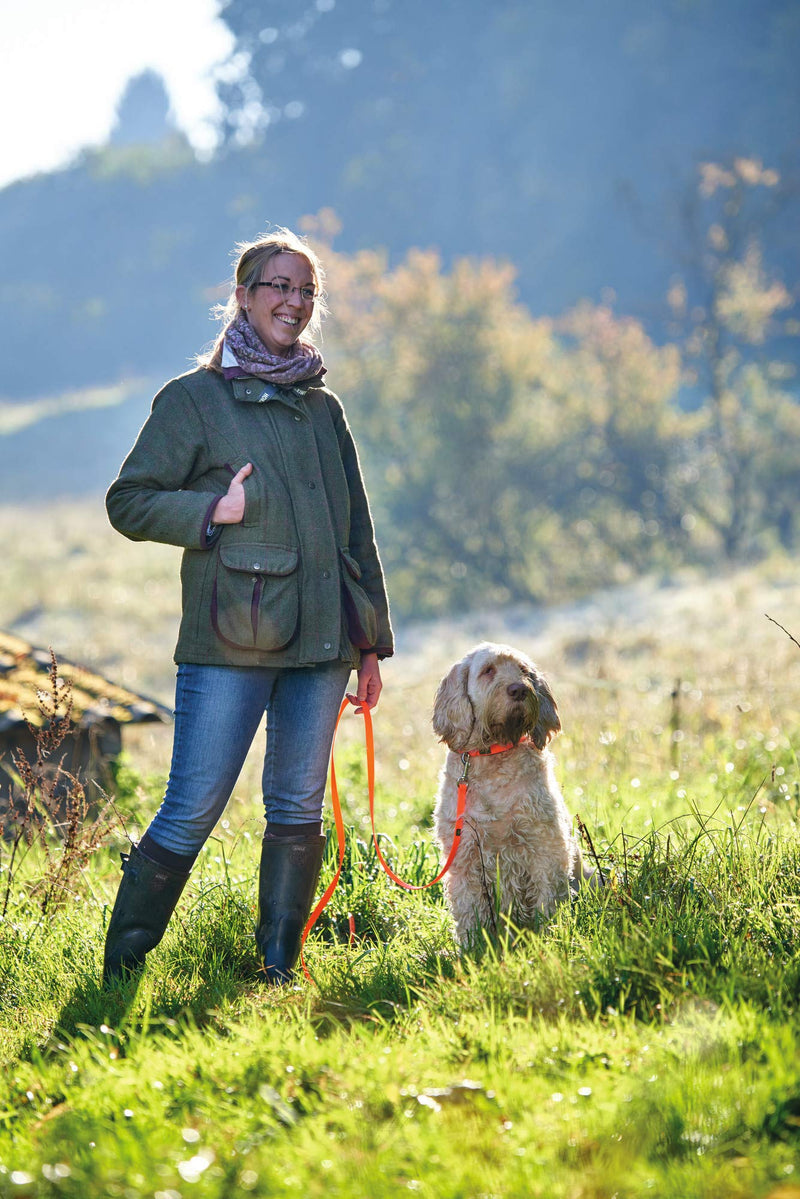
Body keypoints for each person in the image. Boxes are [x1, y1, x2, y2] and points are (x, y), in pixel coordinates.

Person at [103, 228, 393, 985]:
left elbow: (354, 532)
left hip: (323, 648)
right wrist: (210, 511)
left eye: (306, 291)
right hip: (228, 643)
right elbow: (128, 501)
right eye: (278, 286)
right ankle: (120, 969)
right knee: (192, 806)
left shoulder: (322, 408)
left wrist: (369, 646)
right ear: (242, 294)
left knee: (297, 807)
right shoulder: (192, 401)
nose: (293, 302)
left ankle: (278, 968)